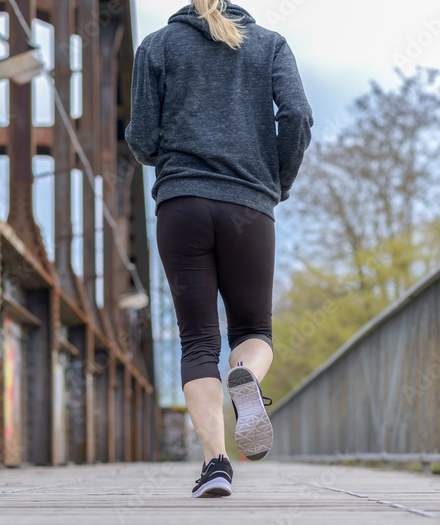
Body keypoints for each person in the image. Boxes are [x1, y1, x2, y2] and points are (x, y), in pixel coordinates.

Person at [125, 0, 313, 498]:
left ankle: (216, 465)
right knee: (252, 331)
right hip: (249, 209)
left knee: (197, 342)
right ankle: (245, 374)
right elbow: (296, 115)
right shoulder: (271, 44)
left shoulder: (157, 46)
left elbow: (141, 139)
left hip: (182, 206)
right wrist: (275, 181)